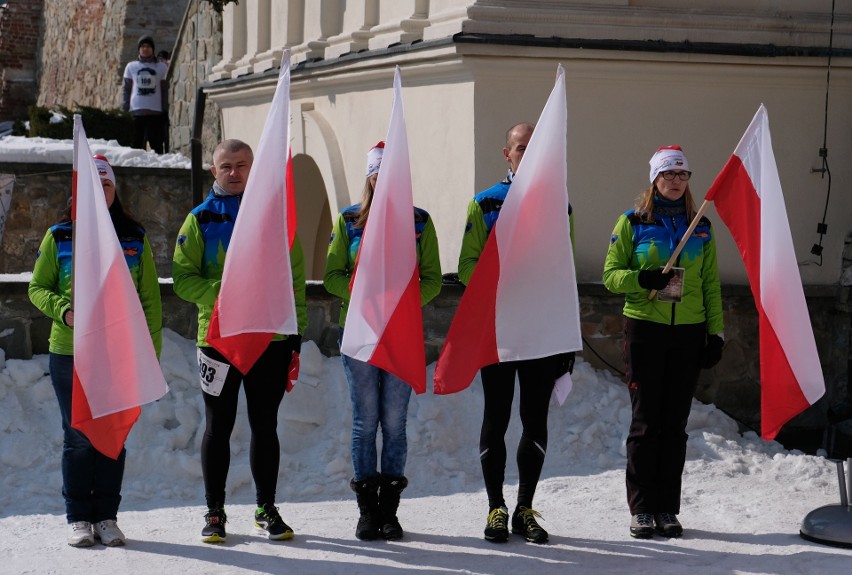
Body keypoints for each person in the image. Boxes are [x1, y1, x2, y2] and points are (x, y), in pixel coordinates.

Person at [172, 139, 307, 544]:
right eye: (226, 166)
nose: (234, 172)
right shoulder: (199, 219)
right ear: (214, 171)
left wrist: (295, 336)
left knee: (266, 426)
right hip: (218, 340)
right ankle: (215, 512)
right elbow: (183, 280)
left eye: (242, 164)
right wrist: (228, 290)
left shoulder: (275, 218)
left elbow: (294, 279)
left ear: (253, 168)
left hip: (270, 337)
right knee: (219, 426)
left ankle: (266, 509)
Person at [28, 155, 162, 548]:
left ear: (114, 190)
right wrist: (64, 311)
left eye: (105, 184)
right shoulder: (59, 237)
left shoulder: (134, 237)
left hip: (118, 354)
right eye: (91, 184)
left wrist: (148, 354)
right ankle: (78, 517)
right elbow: (37, 288)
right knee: (78, 436)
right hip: (70, 353)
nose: (98, 191)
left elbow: (149, 300)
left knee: (112, 436)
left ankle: (106, 516)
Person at [457, 123, 575, 545]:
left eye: (533, 148)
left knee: (534, 419)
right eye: (520, 148)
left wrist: (565, 337)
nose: (526, 154)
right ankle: (495, 508)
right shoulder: (486, 203)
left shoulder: (558, 204)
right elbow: (467, 267)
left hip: (541, 331)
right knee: (497, 416)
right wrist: (503, 277)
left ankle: (525, 508)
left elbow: (565, 272)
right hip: (499, 331)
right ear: (506, 154)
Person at [602, 145, 724, 539]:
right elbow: (610, 275)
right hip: (645, 330)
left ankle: (667, 508)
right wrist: (642, 280)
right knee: (646, 424)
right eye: (668, 175)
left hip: (688, 333)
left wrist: (714, 334)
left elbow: (710, 284)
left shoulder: (699, 225)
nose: (675, 181)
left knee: (675, 425)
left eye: (682, 175)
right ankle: (641, 510)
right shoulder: (632, 222)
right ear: (654, 179)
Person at [323, 141, 441, 541]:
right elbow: (332, 276)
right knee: (364, 423)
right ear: (369, 175)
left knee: (394, 424)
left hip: (401, 334)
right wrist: (365, 293)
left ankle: (390, 512)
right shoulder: (349, 220)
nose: (384, 179)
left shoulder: (420, 222)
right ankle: (366, 511)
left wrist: (400, 303)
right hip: (359, 333)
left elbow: (433, 280)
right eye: (378, 171)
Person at [122, 35, 169, 154]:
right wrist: (124, 109)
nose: (145, 49)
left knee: (157, 145)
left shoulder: (161, 67)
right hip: (136, 111)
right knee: (135, 145)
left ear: (153, 49)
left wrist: (165, 109)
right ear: (139, 49)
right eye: (142, 46)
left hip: (155, 112)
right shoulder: (131, 66)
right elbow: (126, 89)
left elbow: (164, 90)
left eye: (148, 46)